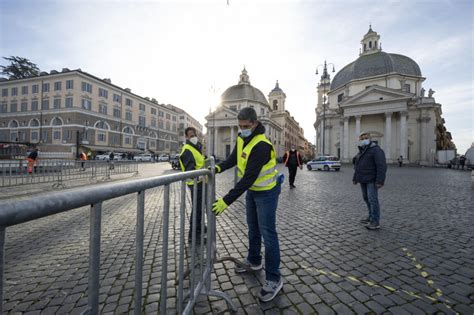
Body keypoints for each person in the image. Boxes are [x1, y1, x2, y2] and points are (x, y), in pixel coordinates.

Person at [211, 107, 283, 302]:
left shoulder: (262, 145)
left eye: (245, 126)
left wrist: (226, 200)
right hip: (254, 191)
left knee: (268, 234)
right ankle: (254, 260)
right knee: (253, 229)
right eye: (239, 126)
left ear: (255, 123)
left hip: (267, 192)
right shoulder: (243, 138)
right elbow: (233, 158)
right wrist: (218, 167)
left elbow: (249, 177)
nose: (241, 129)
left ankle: (274, 279)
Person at [353, 132, 387, 230]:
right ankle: (370, 217)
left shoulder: (376, 150)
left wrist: (380, 181)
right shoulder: (361, 151)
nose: (364, 140)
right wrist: (355, 178)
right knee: (366, 199)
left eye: (365, 138)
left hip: (372, 179)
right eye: (362, 138)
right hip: (363, 179)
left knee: (373, 200)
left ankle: (375, 221)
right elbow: (357, 166)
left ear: (370, 139)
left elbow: (381, 166)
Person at [179, 127, 206, 243]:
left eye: (194, 135)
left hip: (200, 183)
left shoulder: (195, 147)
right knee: (197, 209)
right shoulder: (187, 150)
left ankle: (199, 227)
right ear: (186, 137)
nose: (193, 137)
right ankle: (194, 236)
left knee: (200, 208)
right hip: (195, 183)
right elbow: (190, 171)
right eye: (190, 135)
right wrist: (201, 175)